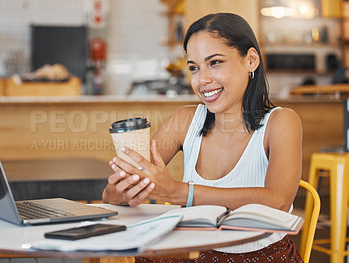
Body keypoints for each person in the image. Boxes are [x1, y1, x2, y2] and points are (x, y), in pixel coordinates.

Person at [102, 13, 303, 262]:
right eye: (194, 68)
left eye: (215, 62)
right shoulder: (184, 120)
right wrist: (122, 190)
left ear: (251, 60)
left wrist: (179, 193)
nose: (202, 80)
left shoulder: (281, 122)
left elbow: (278, 201)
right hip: (195, 253)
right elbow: (110, 194)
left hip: (261, 256)